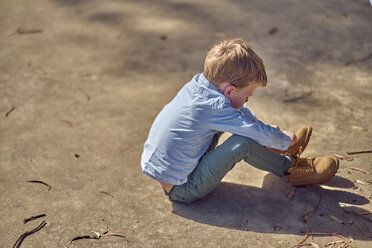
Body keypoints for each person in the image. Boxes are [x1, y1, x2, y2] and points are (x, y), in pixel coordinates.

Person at [141, 38, 339, 203]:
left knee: (240, 122)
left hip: (172, 172)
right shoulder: (216, 107)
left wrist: (266, 131)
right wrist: (285, 140)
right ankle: (289, 168)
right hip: (183, 188)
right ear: (230, 90)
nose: (247, 100)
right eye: (247, 96)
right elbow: (235, 118)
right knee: (242, 143)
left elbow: (237, 112)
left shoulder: (200, 87)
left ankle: (270, 145)